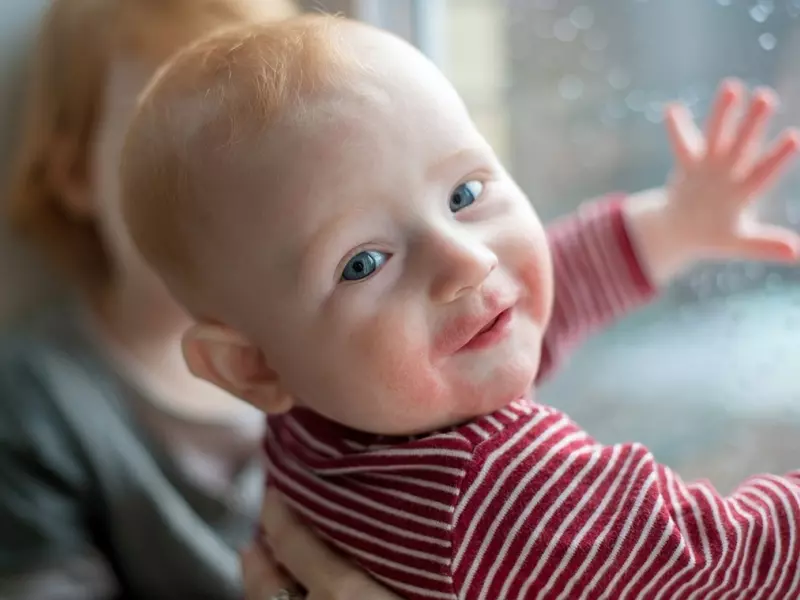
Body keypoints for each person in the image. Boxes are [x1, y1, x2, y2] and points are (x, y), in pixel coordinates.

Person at [120, 14, 800, 599]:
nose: (467, 261)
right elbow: (735, 563)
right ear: (250, 367)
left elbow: (518, 309)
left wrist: (670, 227)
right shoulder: (498, 488)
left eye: (464, 195)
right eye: (364, 263)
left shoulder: (324, 411)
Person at [0, 2, 397, 599]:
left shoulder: (353, 339)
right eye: (168, 141)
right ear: (76, 173)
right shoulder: (40, 404)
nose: (232, 187)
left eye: (266, 139)